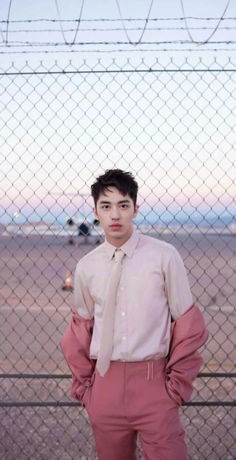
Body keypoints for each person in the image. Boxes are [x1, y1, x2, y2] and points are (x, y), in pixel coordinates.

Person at [60, 169, 208, 460]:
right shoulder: (87, 267)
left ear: (135, 209)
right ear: (96, 212)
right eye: (106, 206)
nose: (115, 215)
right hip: (105, 388)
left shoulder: (164, 256)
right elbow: (80, 332)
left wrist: (174, 388)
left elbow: (189, 326)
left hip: (155, 387)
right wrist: (88, 390)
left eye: (123, 205)